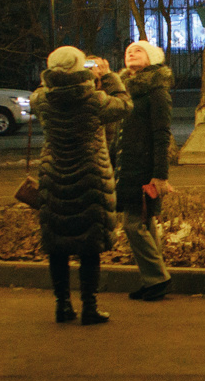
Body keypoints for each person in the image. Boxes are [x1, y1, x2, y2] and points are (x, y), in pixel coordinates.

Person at [34, 45, 131, 325]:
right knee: (89, 246)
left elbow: (41, 93)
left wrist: (53, 77)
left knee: (57, 245)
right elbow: (124, 105)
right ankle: (90, 307)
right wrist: (110, 76)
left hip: (53, 174)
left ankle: (62, 306)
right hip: (91, 173)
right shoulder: (94, 99)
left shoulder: (42, 98)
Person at [116, 41, 176, 301]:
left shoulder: (156, 91)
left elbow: (162, 134)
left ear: (151, 58)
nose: (131, 52)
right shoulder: (123, 92)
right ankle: (153, 278)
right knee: (144, 222)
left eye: (138, 50)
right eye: (129, 50)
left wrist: (160, 174)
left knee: (133, 224)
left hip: (143, 167)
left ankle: (157, 278)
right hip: (124, 166)